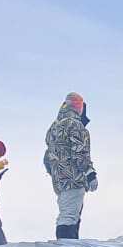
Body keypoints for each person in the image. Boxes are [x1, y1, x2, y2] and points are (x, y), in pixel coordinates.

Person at [43, 93, 96, 239]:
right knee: (70, 217)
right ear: (79, 107)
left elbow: (47, 157)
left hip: (59, 181)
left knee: (66, 213)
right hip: (74, 178)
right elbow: (80, 153)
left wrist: (56, 172)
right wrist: (90, 173)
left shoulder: (53, 127)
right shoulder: (75, 124)